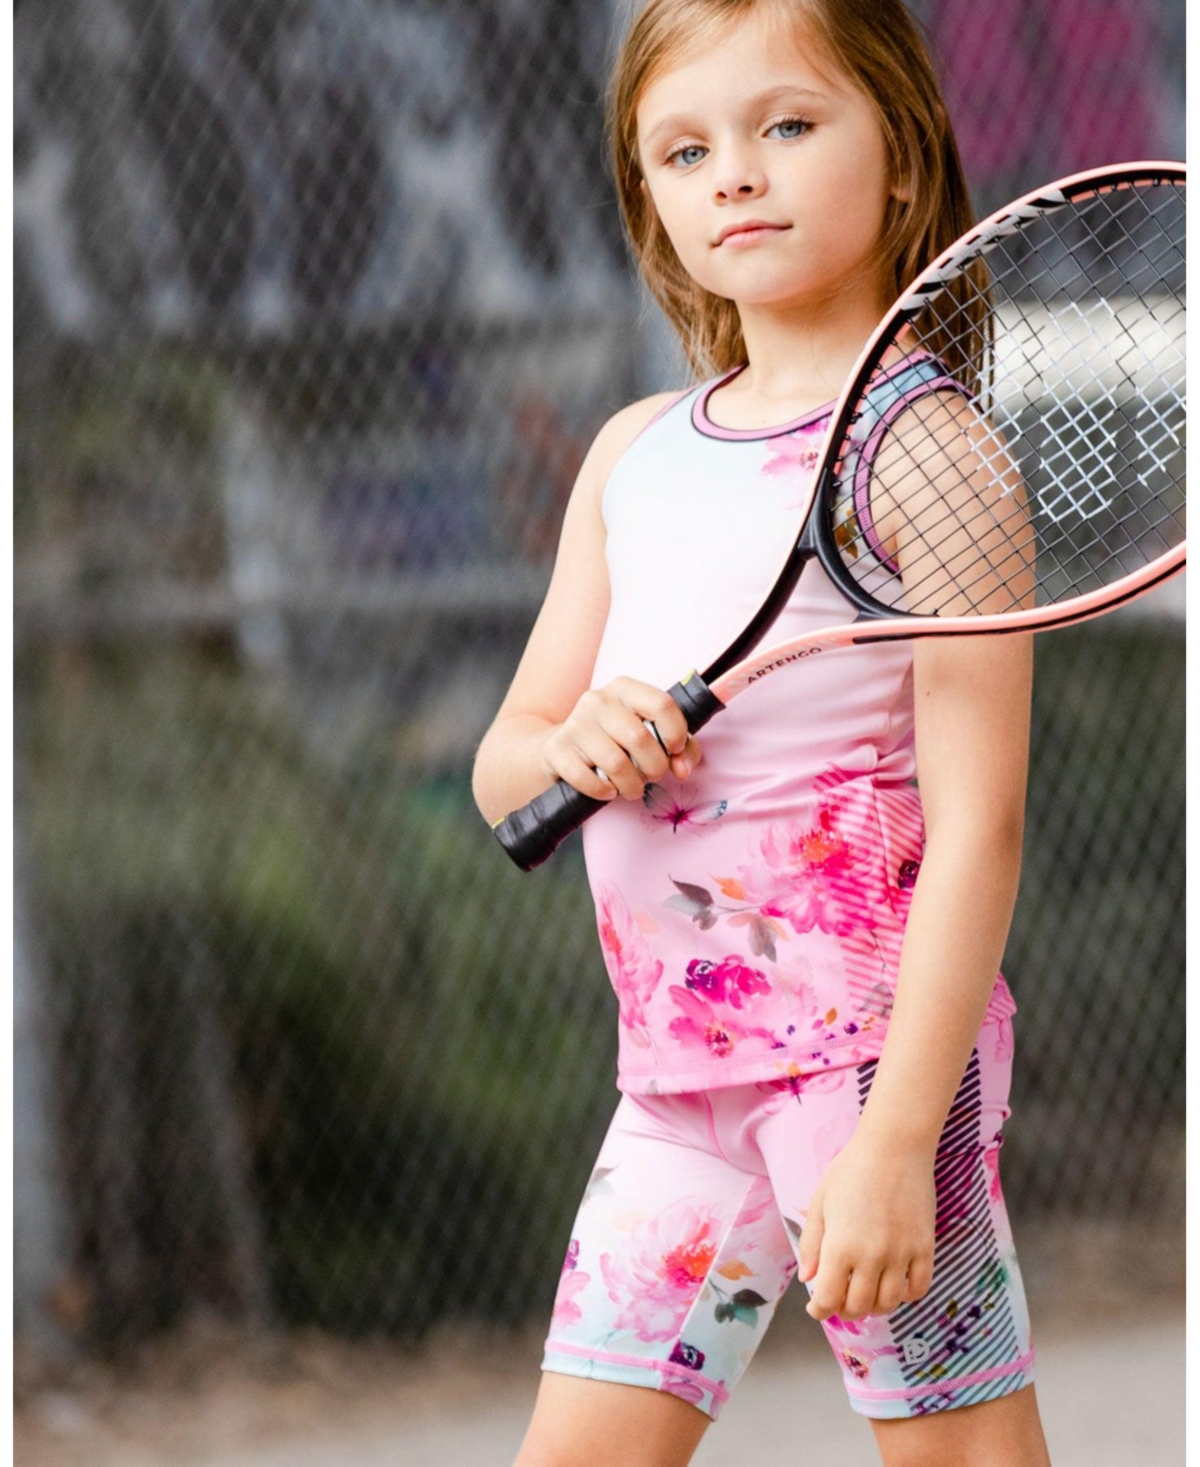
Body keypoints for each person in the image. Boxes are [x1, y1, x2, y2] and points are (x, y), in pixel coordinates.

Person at [471, 2, 1051, 1463]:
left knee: (962, 1453)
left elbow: (980, 829)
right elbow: (506, 762)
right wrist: (576, 743)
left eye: (788, 126)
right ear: (652, 199)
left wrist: (900, 1140)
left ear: (901, 161)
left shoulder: (930, 454)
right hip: (672, 1083)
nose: (736, 171)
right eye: (686, 147)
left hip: (866, 1075)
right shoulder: (631, 455)